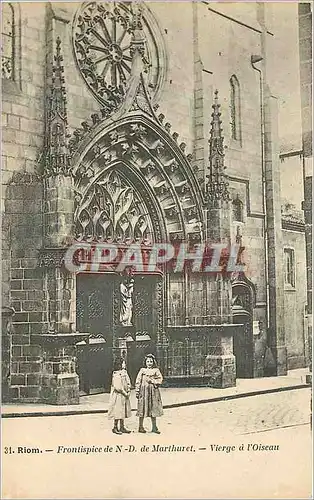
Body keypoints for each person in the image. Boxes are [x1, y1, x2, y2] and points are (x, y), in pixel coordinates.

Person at [135, 354, 163, 434]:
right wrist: (137, 391)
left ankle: (154, 427)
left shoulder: (156, 370)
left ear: (153, 362)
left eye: (151, 361)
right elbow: (138, 381)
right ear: (145, 362)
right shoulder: (142, 370)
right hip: (144, 392)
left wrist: (153, 381)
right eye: (148, 361)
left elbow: (160, 380)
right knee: (142, 408)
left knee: (153, 408)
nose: (149, 363)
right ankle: (140, 426)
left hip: (153, 392)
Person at [108, 357, 131, 435]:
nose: (124, 364)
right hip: (118, 395)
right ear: (119, 364)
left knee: (123, 411)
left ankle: (122, 426)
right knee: (117, 411)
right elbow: (118, 387)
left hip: (124, 395)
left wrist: (128, 390)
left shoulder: (124, 372)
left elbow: (128, 382)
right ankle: (115, 427)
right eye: (123, 363)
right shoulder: (116, 374)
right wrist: (125, 393)